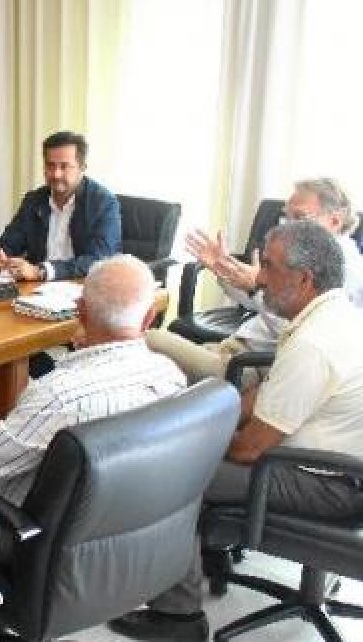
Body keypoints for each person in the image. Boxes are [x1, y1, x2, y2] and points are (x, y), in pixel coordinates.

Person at [109, 221, 363, 641]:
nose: (259, 277)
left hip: (325, 483)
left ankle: (178, 617)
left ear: (304, 279)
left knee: (172, 474)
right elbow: (265, 394)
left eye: (271, 267)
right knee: (187, 450)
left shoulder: (314, 343)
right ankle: (195, 554)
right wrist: (210, 417)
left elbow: (248, 450)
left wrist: (193, 445)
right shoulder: (334, 315)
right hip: (336, 468)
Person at [0, 255, 185, 503]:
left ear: (80, 311)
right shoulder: (171, 377)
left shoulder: (58, 397)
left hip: (17, 526)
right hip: (134, 524)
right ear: (149, 318)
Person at [147, 177, 363, 385]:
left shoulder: (342, 271)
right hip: (234, 348)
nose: (288, 226)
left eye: (299, 218)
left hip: (252, 366)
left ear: (335, 221)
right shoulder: (305, 255)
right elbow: (255, 301)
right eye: (286, 217)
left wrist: (255, 287)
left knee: (146, 340)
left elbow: (296, 333)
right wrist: (223, 269)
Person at [0, 131, 121, 281]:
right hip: (36, 290)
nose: (56, 174)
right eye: (50, 166)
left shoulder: (103, 203)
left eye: (64, 166)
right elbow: (9, 243)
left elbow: (98, 260)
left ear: (82, 168)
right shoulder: (34, 200)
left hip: (81, 287)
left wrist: (41, 271)